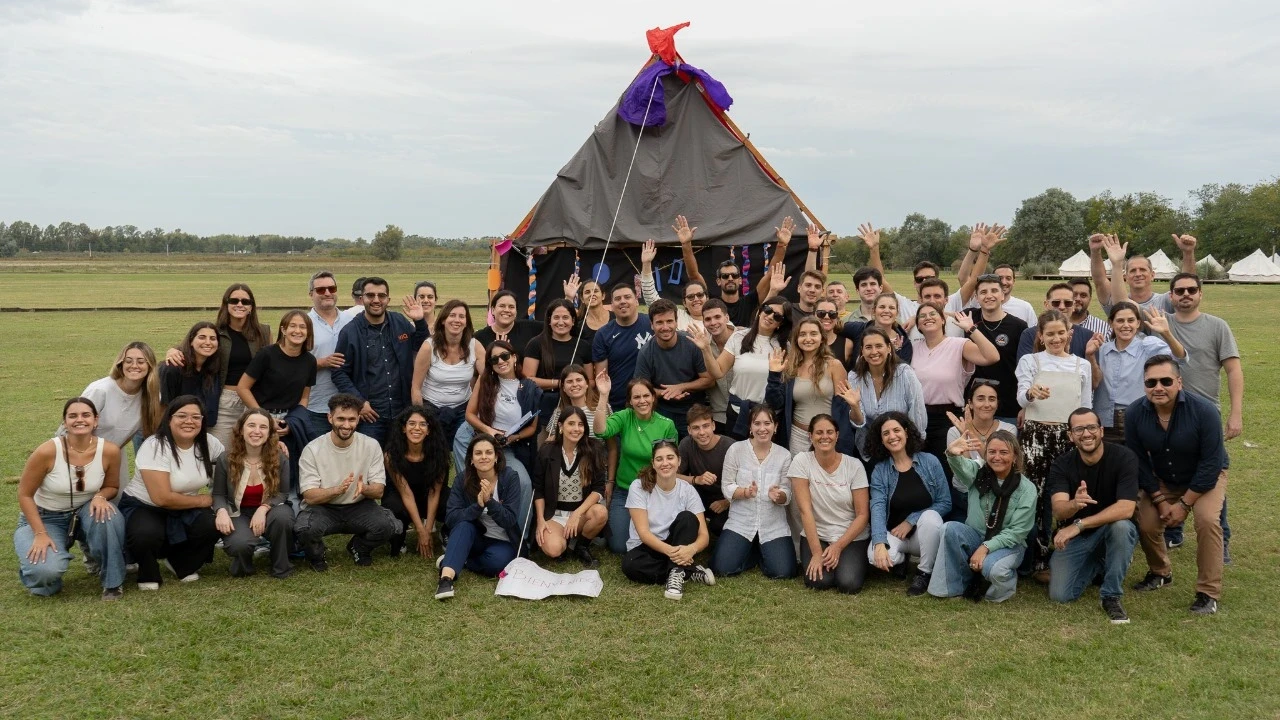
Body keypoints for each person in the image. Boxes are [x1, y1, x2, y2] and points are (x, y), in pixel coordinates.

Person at [1125, 355, 1227, 615]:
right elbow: (1138, 461)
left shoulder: (1204, 411)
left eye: (1166, 381)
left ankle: (1208, 592)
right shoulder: (1135, 413)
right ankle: (1160, 572)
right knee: (1147, 522)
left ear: (1179, 383)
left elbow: (1211, 463)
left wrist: (1184, 504)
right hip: (1163, 477)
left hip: (1204, 478)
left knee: (1207, 521)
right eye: (1151, 382)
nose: (1158, 387)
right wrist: (1159, 500)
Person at [1163, 272, 1242, 557]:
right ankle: (1173, 532)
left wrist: (1236, 413)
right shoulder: (1162, 323)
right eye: (1179, 290)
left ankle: (1222, 541)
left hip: (1205, 414)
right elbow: (1119, 301)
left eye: (1191, 290)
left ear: (1200, 294)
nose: (1185, 294)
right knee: (1170, 470)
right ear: (1171, 296)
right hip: (1166, 413)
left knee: (1211, 474)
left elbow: (1233, 369)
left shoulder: (1217, 326)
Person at [15, 398, 126, 600]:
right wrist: (40, 533)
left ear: (95, 420)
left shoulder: (109, 450)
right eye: (73, 416)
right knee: (44, 574)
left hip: (86, 511)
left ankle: (113, 583)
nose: (79, 420)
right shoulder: (47, 451)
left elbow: (112, 486)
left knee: (108, 515)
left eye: (86, 415)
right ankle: (45, 575)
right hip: (46, 517)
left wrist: (100, 496)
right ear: (64, 422)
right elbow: (24, 494)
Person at [1016, 309, 1094, 574]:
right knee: (1035, 495)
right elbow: (1021, 397)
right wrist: (1031, 393)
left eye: (1061, 333)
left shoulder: (1081, 365)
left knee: (1068, 494)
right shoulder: (1030, 361)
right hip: (1035, 435)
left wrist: (1083, 436)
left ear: (1069, 334)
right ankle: (1036, 556)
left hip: (1068, 437)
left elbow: (1086, 406)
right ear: (1041, 335)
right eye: (1050, 334)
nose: (1056, 338)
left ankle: (1065, 555)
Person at [1046, 408, 1140, 624]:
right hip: (1079, 538)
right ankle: (1102, 564)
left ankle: (1111, 596)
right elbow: (1059, 510)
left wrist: (1078, 524)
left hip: (1109, 530)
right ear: (1070, 435)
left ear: (1101, 430)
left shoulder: (1124, 457)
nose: (1086, 434)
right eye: (1079, 429)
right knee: (1060, 595)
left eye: (1091, 427)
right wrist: (1074, 504)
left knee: (1121, 527)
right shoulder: (1062, 464)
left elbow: (1126, 508)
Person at [119, 396, 223, 590]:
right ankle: (147, 572)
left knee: (212, 524)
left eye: (196, 417)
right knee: (146, 533)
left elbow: (233, 463)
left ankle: (180, 563)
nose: (189, 421)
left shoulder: (209, 443)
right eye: (182, 416)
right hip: (145, 505)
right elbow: (162, 498)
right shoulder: (154, 445)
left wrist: (272, 447)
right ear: (169, 419)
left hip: (184, 505)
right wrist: (203, 500)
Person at [294, 393, 399, 571]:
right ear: (330, 418)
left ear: (358, 419)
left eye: (351, 419)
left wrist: (364, 489)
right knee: (304, 529)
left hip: (359, 505)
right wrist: (336, 490)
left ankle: (359, 547)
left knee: (390, 526)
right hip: (324, 507)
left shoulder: (371, 445)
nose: (346, 425)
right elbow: (310, 496)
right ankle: (317, 555)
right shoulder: (312, 449)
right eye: (341, 419)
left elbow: (379, 491)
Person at [931, 430, 1036, 602]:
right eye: (992, 452)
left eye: (1004, 452)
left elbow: (1017, 532)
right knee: (949, 528)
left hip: (1009, 545)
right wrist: (952, 454)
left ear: (1015, 457)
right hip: (976, 536)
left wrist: (985, 547)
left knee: (993, 568)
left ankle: (1001, 589)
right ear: (985, 454)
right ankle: (954, 588)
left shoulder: (1027, 489)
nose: (997, 457)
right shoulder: (977, 473)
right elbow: (961, 466)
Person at [455, 341, 541, 543]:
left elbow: (532, 428)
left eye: (504, 356)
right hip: (476, 440)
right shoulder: (486, 381)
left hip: (505, 447)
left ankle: (519, 539)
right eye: (494, 359)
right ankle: (471, 528)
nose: (500, 361)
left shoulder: (529, 387)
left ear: (514, 357)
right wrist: (490, 431)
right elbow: (470, 414)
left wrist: (513, 437)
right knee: (470, 483)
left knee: (524, 482)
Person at [331, 277, 429, 444]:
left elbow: (422, 347)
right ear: (362, 298)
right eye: (370, 295)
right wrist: (359, 402)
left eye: (381, 296)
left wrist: (420, 321)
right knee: (370, 458)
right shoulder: (350, 332)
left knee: (399, 457)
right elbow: (339, 373)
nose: (376, 300)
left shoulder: (400, 322)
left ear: (388, 299)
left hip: (402, 411)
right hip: (371, 415)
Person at [864, 412, 951, 595]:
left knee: (930, 517)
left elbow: (945, 502)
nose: (892, 436)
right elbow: (877, 507)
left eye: (896, 430)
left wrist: (911, 520)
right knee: (874, 556)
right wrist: (879, 542)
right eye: (886, 433)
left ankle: (924, 572)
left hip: (925, 535)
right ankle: (902, 559)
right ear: (881, 440)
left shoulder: (930, 461)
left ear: (906, 432)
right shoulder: (880, 470)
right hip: (896, 534)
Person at [910, 303, 999, 474]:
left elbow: (992, 357)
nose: (928, 317)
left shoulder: (959, 345)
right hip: (917, 418)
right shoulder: (913, 348)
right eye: (922, 316)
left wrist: (971, 329)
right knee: (920, 471)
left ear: (943, 320)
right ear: (918, 325)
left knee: (947, 470)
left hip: (947, 419)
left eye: (933, 314)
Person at [621, 440, 716, 600]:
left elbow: (704, 536)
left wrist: (691, 549)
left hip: (677, 542)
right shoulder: (638, 486)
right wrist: (674, 554)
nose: (665, 463)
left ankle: (676, 574)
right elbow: (643, 533)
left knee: (688, 518)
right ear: (653, 463)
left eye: (670, 458)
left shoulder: (688, 490)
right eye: (659, 459)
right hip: (648, 546)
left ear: (679, 461)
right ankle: (686, 571)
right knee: (630, 565)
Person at [594, 375, 678, 554]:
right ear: (630, 401)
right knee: (618, 546)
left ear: (653, 397)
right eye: (636, 397)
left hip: (654, 491)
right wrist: (603, 395)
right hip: (625, 491)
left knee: (656, 538)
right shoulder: (625, 417)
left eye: (646, 396)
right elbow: (600, 431)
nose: (642, 401)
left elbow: (671, 462)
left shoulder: (666, 425)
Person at [711, 404, 796, 579]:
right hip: (741, 522)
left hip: (773, 525)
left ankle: (759, 551)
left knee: (784, 572)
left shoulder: (784, 455)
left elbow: (787, 492)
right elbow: (726, 486)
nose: (762, 428)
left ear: (775, 426)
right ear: (750, 427)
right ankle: (752, 551)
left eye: (767, 423)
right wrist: (744, 492)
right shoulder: (736, 450)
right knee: (721, 568)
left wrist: (779, 496)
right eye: (757, 423)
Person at [435, 434, 522, 600]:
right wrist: (478, 505)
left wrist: (490, 502)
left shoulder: (510, 477)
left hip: (502, 540)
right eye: (478, 453)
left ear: (496, 457)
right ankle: (445, 580)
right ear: (471, 459)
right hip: (474, 537)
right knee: (463, 525)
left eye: (489, 452)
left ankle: (457, 560)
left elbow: (509, 519)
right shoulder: (462, 480)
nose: (484, 457)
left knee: (497, 563)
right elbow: (451, 518)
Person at [790, 414, 871, 594]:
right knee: (818, 581)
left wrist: (838, 546)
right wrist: (817, 553)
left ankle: (848, 562)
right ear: (810, 436)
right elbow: (805, 510)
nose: (824, 436)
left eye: (829, 432)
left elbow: (862, 515)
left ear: (837, 435)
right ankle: (829, 561)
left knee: (848, 583)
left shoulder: (854, 466)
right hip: (818, 534)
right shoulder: (801, 461)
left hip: (850, 536)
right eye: (819, 432)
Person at [692, 295, 791, 439]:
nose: (770, 316)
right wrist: (706, 349)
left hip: (767, 419)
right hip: (737, 412)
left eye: (777, 316)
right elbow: (718, 372)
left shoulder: (784, 347)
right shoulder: (738, 337)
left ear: (781, 323)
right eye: (768, 310)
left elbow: (782, 391)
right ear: (760, 311)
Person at [212, 409, 294, 579]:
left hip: (271, 510)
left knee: (283, 517)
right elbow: (218, 493)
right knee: (239, 544)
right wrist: (221, 511)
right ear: (241, 430)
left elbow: (283, 493)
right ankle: (244, 564)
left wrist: (263, 508)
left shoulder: (280, 457)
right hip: (238, 512)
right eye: (251, 425)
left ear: (269, 433)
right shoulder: (225, 458)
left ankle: (281, 567)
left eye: (263, 427)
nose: (257, 431)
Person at [236, 309, 318, 478]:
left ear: (308, 332)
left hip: (288, 422)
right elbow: (243, 387)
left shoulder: (310, 361)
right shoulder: (267, 354)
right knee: (255, 469)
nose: (297, 331)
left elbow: (304, 397)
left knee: (286, 471)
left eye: (303, 327)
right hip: (259, 417)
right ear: (283, 330)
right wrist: (265, 418)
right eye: (292, 326)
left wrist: (293, 423)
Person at [1088, 301, 1185, 443]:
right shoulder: (1101, 350)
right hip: (1105, 421)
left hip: (1138, 417)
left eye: (1131, 320)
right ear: (1111, 323)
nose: (1125, 325)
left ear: (1138, 323)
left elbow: (1180, 358)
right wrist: (1090, 356)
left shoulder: (1148, 346)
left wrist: (1166, 333)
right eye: (1120, 321)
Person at [838, 327, 927, 466]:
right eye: (868, 347)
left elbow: (917, 413)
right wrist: (854, 406)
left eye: (879, 346)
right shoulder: (854, 377)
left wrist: (913, 448)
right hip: (870, 448)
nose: (874, 352)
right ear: (862, 351)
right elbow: (859, 423)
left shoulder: (905, 373)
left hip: (903, 446)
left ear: (889, 348)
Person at [532, 407, 608, 567]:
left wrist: (577, 514)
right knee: (553, 550)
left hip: (582, 514)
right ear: (561, 426)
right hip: (555, 514)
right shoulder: (547, 451)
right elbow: (538, 489)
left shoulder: (594, 449)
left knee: (600, 512)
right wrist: (540, 520)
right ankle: (564, 542)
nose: (576, 428)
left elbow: (599, 489)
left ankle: (581, 546)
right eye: (571, 423)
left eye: (580, 424)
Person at [79, 341, 162, 484]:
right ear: (120, 364)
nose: (134, 366)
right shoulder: (100, 390)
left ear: (150, 366)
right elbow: (72, 427)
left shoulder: (152, 395)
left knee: (114, 496)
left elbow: (134, 432)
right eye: (128, 361)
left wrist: (113, 452)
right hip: (82, 454)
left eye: (141, 361)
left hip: (114, 455)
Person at [411, 299, 486, 455]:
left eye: (461, 316)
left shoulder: (475, 346)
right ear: (443, 320)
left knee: (466, 450)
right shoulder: (428, 347)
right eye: (452, 315)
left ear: (466, 322)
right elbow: (416, 388)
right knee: (434, 454)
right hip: (431, 409)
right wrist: (420, 417)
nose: (457, 320)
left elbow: (488, 377)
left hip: (463, 410)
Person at [201, 284, 273, 446]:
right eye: (234, 301)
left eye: (245, 301)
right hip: (225, 401)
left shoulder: (264, 332)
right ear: (226, 304)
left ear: (251, 307)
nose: (239, 305)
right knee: (220, 450)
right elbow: (192, 347)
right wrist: (173, 351)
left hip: (254, 399)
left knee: (253, 450)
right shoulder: (216, 332)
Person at [766, 317, 849, 454]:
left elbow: (843, 407)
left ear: (822, 338)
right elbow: (775, 403)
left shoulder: (834, 365)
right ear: (796, 339)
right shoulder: (791, 366)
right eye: (803, 334)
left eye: (813, 334)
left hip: (826, 437)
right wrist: (774, 375)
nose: (808, 338)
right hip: (797, 436)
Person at [671, 214, 767, 327]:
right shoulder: (711, 302)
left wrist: (781, 245)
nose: (730, 278)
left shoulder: (749, 302)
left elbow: (770, 276)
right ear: (718, 281)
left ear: (740, 280)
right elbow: (693, 275)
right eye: (725, 276)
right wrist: (686, 244)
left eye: (734, 275)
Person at [633, 299, 712, 437]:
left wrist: (682, 387)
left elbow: (709, 380)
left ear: (676, 322)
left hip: (693, 409)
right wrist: (667, 392)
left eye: (669, 321)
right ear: (651, 325)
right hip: (662, 411)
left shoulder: (691, 344)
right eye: (659, 322)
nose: (665, 327)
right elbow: (640, 389)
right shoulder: (646, 352)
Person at [382, 405, 449, 560]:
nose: (417, 428)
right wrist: (420, 530)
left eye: (422, 424)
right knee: (393, 506)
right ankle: (399, 533)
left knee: (451, 501)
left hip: (428, 496)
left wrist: (428, 530)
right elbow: (405, 492)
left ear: (429, 430)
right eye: (411, 423)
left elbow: (434, 492)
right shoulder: (391, 456)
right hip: (403, 497)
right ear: (403, 428)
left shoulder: (440, 454)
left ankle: (446, 531)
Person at [962, 274, 1027, 423]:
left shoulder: (1019, 326)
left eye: (994, 291)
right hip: (976, 405)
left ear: (1002, 295)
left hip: (1009, 405)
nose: (989, 296)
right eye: (983, 292)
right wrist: (914, 318)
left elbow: (1026, 368)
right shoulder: (968, 317)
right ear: (976, 297)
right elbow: (941, 315)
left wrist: (1025, 406)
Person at [522, 298, 593, 425]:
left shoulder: (583, 346)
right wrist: (559, 383)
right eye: (556, 317)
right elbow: (527, 380)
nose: (560, 322)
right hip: (545, 406)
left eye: (565, 317)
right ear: (549, 321)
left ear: (573, 321)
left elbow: (590, 380)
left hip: (576, 406)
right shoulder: (536, 344)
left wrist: (575, 388)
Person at [1091, 232, 1198, 314]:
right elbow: (1100, 282)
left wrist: (1188, 252)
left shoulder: (1166, 301)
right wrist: (1095, 252)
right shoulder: (1115, 301)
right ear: (1125, 277)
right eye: (1133, 270)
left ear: (1152, 275)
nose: (1138, 274)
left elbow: (1187, 282)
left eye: (1143, 269)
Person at [306, 271, 355, 440]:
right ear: (311, 294)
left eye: (331, 288)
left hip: (349, 408)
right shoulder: (303, 323)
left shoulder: (351, 320)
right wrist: (321, 362)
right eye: (321, 290)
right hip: (316, 406)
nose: (327, 293)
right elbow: (290, 364)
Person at [592, 282, 653, 411]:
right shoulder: (603, 334)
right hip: (619, 405)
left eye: (627, 297)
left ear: (636, 301)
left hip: (652, 400)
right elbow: (602, 378)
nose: (622, 301)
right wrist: (605, 407)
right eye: (617, 299)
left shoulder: (652, 324)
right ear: (611, 305)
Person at [676, 405, 734, 536]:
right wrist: (697, 479)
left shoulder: (730, 446)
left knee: (717, 526)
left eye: (706, 426)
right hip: (698, 496)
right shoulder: (686, 444)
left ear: (713, 425)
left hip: (726, 498)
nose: (702, 432)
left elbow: (746, 482)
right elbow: (671, 476)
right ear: (689, 430)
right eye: (696, 428)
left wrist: (727, 502)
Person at [159, 322, 221, 429]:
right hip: (169, 429)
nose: (208, 342)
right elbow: (162, 406)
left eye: (212, 338)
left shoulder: (212, 369)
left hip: (197, 429)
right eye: (202, 337)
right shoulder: (172, 368)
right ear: (191, 341)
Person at [639, 238, 707, 333]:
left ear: (707, 298)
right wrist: (646, 263)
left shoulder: (717, 318)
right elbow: (651, 297)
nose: (696, 299)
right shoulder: (677, 316)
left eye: (700, 295)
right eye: (691, 297)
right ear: (684, 303)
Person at [943, 381, 1017, 465]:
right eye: (980, 399)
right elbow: (962, 470)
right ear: (970, 403)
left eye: (992, 399)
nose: (987, 404)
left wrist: (970, 433)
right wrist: (964, 434)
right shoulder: (955, 431)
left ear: (997, 404)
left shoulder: (1008, 429)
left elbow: (997, 464)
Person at [1015, 283, 1093, 359]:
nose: (1062, 307)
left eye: (1068, 303)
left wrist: (1090, 357)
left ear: (1073, 306)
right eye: (1056, 303)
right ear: (1046, 305)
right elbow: (1025, 365)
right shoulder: (1029, 335)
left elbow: (1094, 368)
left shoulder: (1087, 336)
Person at [839, 293, 911, 365]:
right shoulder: (858, 329)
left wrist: (895, 351)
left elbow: (901, 369)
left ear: (897, 313)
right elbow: (835, 328)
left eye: (891, 308)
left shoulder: (904, 343)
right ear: (874, 311)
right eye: (882, 307)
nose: (886, 311)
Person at [696, 299, 735, 431]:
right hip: (718, 415)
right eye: (708, 319)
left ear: (726, 318)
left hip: (745, 412)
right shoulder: (702, 344)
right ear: (703, 322)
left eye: (717, 317)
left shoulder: (744, 338)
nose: (713, 323)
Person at [544, 364, 607, 441]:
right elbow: (551, 442)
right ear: (563, 387)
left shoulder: (603, 407)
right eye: (569, 381)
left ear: (587, 384)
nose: (574, 384)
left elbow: (611, 443)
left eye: (579, 380)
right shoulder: (558, 412)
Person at [474, 290, 542, 351]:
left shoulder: (530, 328)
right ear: (493, 310)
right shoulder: (479, 338)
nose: (507, 310)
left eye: (511, 307)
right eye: (502, 306)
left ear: (516, 312)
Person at [815, 299, 854, 369]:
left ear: (837, 317)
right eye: (821, 313)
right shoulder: (806, 342)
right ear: (813, 316)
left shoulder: (847, 345)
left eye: (832, 314)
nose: (827, 317)